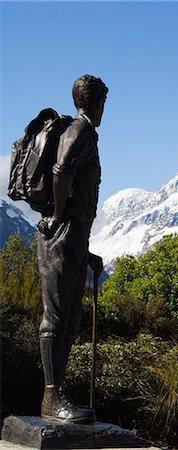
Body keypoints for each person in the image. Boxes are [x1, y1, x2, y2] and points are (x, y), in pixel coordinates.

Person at [37, 74, 108, 423]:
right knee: (57, 316)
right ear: (95, 102)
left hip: (74, 235)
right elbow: (62, 170)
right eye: (103, 102)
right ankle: (52, 397)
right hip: (64, 231)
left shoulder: (82, 132)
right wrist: (59, 218)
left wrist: (85, 249)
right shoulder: (82, 131)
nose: (103, 109)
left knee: (69, 319)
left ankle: (58, 393)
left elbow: (76, 190)